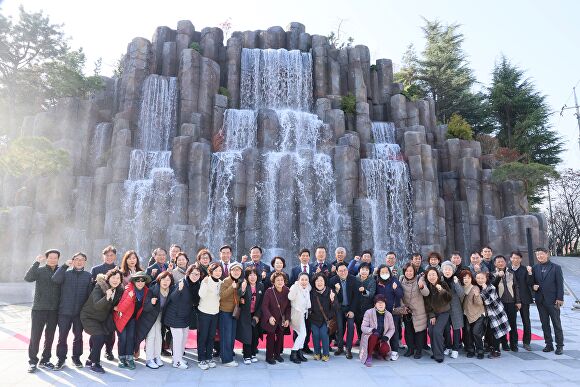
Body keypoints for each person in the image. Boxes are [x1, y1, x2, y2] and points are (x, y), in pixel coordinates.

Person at [52, 252, 92, 370]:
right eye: (77, 259)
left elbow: (90, 295)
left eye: (82, 259)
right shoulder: (66, 274)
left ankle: (76, 358)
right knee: (62, 336)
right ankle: (61, 359)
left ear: (85, 262)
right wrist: (64, 266)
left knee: (78, 336)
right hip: (64, 311)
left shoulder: (88, 276)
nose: (79, 262)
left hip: (79, 313)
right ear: (73, 261)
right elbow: (55, 279)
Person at [80, 268, 123, 374]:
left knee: (103, 337)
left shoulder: (119, 290)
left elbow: (113, 305)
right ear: (108, 279)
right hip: (89, 317)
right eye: (113, 278)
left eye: (118, 278)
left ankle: (90, 360)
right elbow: (97, 305)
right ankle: (95, 364)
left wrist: (116, 307)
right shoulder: (99, 287)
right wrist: (107, 297)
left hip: (101, 318)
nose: (115, 280)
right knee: (99, 337)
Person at [25, 250, 61, 372]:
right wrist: (36, 263)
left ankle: (45, 360)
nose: (53, 260)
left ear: (58, 259)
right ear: (46, 258)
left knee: (49, 337)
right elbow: (28, 278)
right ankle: (32, 362)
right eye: (50, 257)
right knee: (35, 336)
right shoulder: (39, 270)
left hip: (54, 310)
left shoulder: (61, 271)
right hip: (38, 309)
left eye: (55, 258)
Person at [164, 264, 201, 369]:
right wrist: (178, 290)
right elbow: (172, 298)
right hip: (175, 315)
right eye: (193, 274)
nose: (195, 276)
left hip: (185, 316)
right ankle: (176, 362)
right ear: (188, 273)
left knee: (184, 339)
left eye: (198, 274)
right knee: (178, 339)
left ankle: (178, 357)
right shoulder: (182, 283)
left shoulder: (195, 285)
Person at [113, 271, 151, 369]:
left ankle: (129, 358)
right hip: (122, 318)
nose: (140, 282)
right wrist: (130, 297)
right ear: (133, 281)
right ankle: (121, 359)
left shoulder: (146, 291)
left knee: (131, 338)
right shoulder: (128, 290)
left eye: (142, 280)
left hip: (133, 319)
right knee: (123, 338)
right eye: (137, 280)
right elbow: (121, 308)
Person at [136, 270, 174, 369]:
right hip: (150, 317)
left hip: (161, 317)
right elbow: (146, 307)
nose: (166, 282)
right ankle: (149, 359)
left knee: (159, 337)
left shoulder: (170, 291)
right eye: (163, 279)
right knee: (151, 336)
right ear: (159, 280)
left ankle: (157, 357)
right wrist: (152, 303)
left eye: (168, 280)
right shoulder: (152, 290)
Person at [532, 247, 564, 355]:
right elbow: (532, 283)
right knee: (544, 324)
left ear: (547, 254)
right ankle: (548, 344)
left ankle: (559, 346)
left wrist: (560, 298)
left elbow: (560, 284)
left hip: (553, 300)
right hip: (540, 301)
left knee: (556, 323)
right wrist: (533, 287)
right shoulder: (535, 268)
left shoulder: (556, 267)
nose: (539, 256)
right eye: (537, 255)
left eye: (541, 254)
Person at [90, 245, 118, 361]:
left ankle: (108, 351)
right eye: (107, 255)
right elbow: (91, 287)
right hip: (98, 304)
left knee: (110, 330)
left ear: (115, 256)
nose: (109, 257)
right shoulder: (95, 269)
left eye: (111, 255)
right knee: (95, 330)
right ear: (103, 256)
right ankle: (93, 352)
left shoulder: (119, 269)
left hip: (112, 305)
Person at [329, 262, 359, 359]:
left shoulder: (353, 279)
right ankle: (340, 347)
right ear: (337, 272)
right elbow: (333, 299)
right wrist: (336, 291)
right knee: (340, 328)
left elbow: (356, 297)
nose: (343, 272)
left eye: (345, 270)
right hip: (339, 308)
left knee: (350, 326)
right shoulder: (332, 281)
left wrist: (352, 311)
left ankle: (348, 349)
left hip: (350, 308)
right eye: (341, 271)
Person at [476, 272, 510, 358]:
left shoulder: (491, 287)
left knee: (496, 331)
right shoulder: (478, 287)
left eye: (482, 278)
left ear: (486, 279)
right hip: (488, 313)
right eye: (478, 278)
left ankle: (496, 350)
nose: (480, 280)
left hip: (496, 312)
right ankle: (490, 347)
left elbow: (491, 302)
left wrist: (484, 291)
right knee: (489, 331)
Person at [400, 262, 429, 359]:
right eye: (407, 271)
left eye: (411, 271)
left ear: (414, 271)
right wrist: (403, 306)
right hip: (407, 311)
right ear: (404, 272)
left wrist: (422, 286)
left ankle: (419, 351)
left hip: (419, 311)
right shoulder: (401, 280)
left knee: (419, 332)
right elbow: (399, 296)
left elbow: (426, 293)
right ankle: (410, 349)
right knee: (408, 332)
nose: (409, 273)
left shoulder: (419, 280)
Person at [374, 264, 403, 360]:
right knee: (381, 329)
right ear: (379, 273)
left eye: (386, 272)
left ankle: (395, 351)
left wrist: (395, 289)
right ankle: (382, 350)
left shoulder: (394, 280)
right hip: (380, 311)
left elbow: (400, 295)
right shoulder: (377, 281)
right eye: (382, 272)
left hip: (393, 311)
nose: (384, 274)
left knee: (393, 330)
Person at [197, 262, 223, 370]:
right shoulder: (206, 280)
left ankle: (209, 357)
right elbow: (201, 295)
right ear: (211, 272)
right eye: (216, 270)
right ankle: (201, 359)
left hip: (215, 312)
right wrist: (206, 284)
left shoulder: (221, 282)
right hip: (204, 312)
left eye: (220, 271)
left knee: (211, 336)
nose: (218, 273)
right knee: (203, 336)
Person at [492, 255, 520, 352]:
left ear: (505, 262)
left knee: (513, 324)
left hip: (511, 302)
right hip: (500, 304)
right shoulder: (492, 274)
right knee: (502, 324)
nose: (500, 263)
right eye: (498, 262)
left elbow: (516, 287)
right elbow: (493, 286)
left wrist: (518, 301)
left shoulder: (511, 273)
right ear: (495, 263)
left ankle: (514, 344)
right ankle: (504, 343)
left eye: (502, 261)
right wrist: (498, 276)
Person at [423, 267, 452, 363]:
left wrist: (442, 290)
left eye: (433, 274)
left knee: (437, 331)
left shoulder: (443, 284)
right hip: (433, 313)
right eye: (429, 275)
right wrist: (431, 315)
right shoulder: (427, 286)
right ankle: (436, 352)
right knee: (431, 331)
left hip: (444, 312)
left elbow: (449, 298)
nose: (432, 277)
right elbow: (426, 303)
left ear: (437, 275)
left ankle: (439, 355)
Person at [261, 271, 291, 364]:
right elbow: (264, 306)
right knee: (270, 337)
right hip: (271, 318)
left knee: (280, 337)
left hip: (281, 319)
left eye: (282, 280)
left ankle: (277, 355)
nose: (280, 282)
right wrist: (269, 317)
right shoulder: (269, 291)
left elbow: (289, 307)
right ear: (273, 281)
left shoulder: (287, 290)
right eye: (277, 280)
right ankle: (269, 357)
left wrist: (287, 319)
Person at [359, 294, 396, 367]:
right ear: (375, 304)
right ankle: (369, 356)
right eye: (378, 303)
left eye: (382, 303)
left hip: (381, 339)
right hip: (371, 337)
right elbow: (363, 327)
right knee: (374, 336)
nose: (381, 305)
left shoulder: (388, 314)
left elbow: (392, 329)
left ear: (385, 304)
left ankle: (377, 352)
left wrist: (387, 336)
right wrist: (372, 330)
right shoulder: (369, 312)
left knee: (385, 350)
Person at [219, 261, 244, 367]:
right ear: (230, 271)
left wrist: (241, 297)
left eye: (238, 270)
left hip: (234, 312)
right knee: (226, 336)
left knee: (231, 335)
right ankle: (226, 359)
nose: (236, 271)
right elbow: (221, 296)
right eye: (234, 270)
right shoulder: (226, 281)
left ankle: (227, 354)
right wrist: (231, 287)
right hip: (225, 312)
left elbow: (237, 296)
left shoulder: (239, 281)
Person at [289, 248, 314, 354]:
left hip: (308, 304)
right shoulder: (294, 270)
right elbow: (291, 285)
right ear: (299, 257)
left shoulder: (314, 268)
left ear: (309, 257)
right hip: (297, 305)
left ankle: (305, 345)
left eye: (307, 255)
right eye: (302, 255)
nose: (305, 257)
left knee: (308, 327)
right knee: (298, 329)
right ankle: (297, 348)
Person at [239, 266, 264, 364]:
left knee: (255, 335)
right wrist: (243, 290)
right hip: (245, 314)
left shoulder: (260, 286)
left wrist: (257, 316)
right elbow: (238, 297)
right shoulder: (243, 284)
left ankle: (253, 353)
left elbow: (262, 302)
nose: (252, 277)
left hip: (255, 314)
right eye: (250, 275)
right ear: (247, 276)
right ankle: (246, 355)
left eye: (254, 275)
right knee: (247, 335)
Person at [510, 250, 534, 351]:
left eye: (517, 258)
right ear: (510, 259)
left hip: (524, 299)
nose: (515, 260)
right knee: (512, 322)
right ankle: (513, 343)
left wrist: (530, 273)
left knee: (526, 321)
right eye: (513, 258)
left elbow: (530, 283)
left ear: (521, 259)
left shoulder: (525, 269)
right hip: (511, 299)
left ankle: (526, 342)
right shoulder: (507, 270)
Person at [310, 273, 336, 361]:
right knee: (316, 335)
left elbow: (335, 308)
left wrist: (332, 300)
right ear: (314, 282)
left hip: (326, 319)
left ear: (325, 282)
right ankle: (317, 352)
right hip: (314, 319)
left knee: (324, 334)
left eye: (321, 280)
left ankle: (326, 354)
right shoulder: (312, 292)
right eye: (317, 281)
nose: (319, 283)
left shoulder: (330, 291)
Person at [459, 270, 485, 359]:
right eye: (464, 278)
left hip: (478, 314)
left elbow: (479, 304)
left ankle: (480, 350)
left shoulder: (475, 288)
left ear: (471, 279)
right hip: (466, 315)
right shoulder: (461, 288)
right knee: (468, 333)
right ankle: (470, 350)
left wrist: (477, 295)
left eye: (468, 278)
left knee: (476, 333)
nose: (466, 280)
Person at [440, 261, 464, 359]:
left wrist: (456, 283)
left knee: (456, 329)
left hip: (455, 308)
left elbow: (461, 294)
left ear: (453, 270)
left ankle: (455, 349)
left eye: (449, 269)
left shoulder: (456, 279)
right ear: (442, 270)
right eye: (445, 269)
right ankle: (448, 346)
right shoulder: (440, 280)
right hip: (444, 308)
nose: (447, 271)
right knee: (446, 329)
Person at [288, 273, 312, 363]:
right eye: (302, 279)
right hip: (296, 314)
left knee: (303, 334)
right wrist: (295, 286)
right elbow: (290, 297)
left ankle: (299, 352)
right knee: (302, 334)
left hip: (303, 314)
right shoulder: (295, 287)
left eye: (306, 279)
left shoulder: (307, 288)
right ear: (298, 280)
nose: (304, 281)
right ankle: (293, 353)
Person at [355, 262, 376, 344]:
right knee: (358, 322)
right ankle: (360, 338)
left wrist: (364, 291)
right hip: (356, 306)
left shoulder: (372, 281)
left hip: (368, 306)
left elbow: (371, 294)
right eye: (362, 269)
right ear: (359, 270)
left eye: (366, 270)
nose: (364, 271)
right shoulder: (355, 279)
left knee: (367, 324)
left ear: (369, 271)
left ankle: (367, 339)